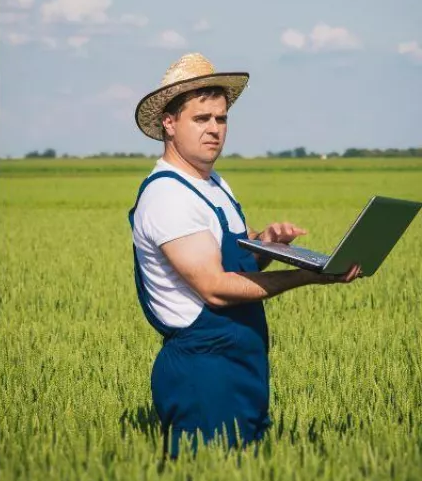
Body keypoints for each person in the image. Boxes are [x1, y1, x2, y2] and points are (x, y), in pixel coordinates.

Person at [129, 53, 360, 457]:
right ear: (169, 123)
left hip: (242, 360)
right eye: (201, 119)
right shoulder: (166, 196)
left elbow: (235, 262)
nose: (214, 129)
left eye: (221, 118)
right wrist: (309, 274)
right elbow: (216, 289)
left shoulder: (215, 184)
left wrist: (267, 243)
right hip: (204, 369)